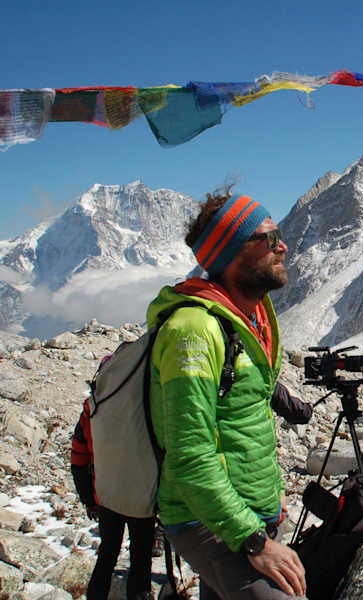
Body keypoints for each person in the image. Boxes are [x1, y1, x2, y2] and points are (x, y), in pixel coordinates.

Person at [148, 188, 307, 600]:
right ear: (234, 252)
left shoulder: (249, 319)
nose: (283, 246)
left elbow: (243, 423)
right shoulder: (194, 332)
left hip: (241, 513)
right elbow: (189, 457)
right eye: (269, 239)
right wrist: (254, 540)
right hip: (208, 521)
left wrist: (268, 499)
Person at [72, 397, 155, 600]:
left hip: (105, 495)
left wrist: (89, 500)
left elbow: (78, 457)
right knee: (141, 559)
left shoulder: (93, 406)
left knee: (107, 555)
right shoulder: (146, 401)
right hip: (141, 494)